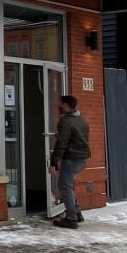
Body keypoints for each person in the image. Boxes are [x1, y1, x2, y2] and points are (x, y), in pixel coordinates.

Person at [49, 95, 90, 229]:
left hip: (72, 158)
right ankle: (77, 213)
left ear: (66, 105)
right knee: (68, 185)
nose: (59, 106)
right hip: (82, 158)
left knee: (64, 186)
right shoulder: (82, 120)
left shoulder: (65, 121)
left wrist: (54, 162)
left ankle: (71, 218)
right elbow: (77, 138)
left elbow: (62, 143)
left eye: (61, 104)